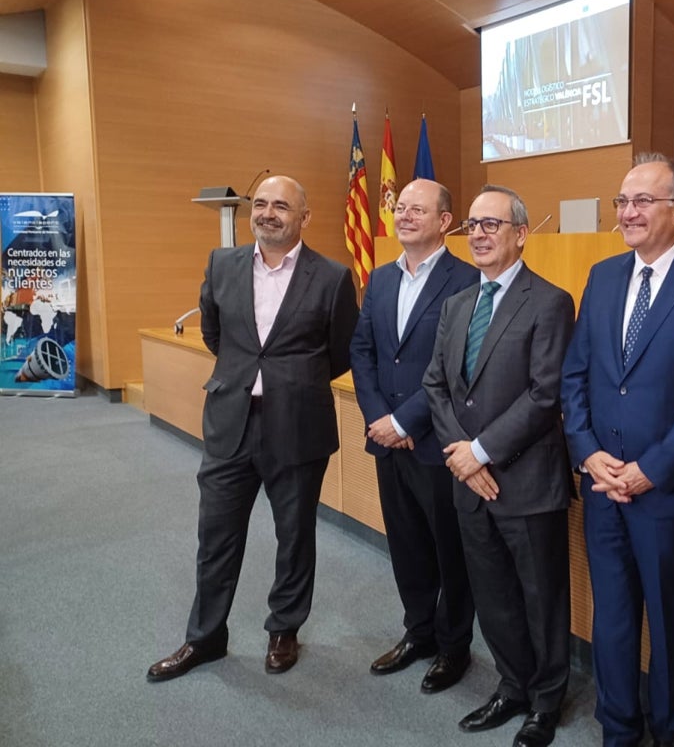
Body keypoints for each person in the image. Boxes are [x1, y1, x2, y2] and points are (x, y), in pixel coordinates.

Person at [560, 153, 674, 747]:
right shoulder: (603, 275)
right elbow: (578, 375)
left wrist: (650, 470)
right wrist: (587, 453)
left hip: (668, 490)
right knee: (611, 620)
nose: (628, 212)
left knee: (670, 626)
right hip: (601, 485)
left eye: (642, 201)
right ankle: (618, 729)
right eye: (622, 202)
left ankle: (671, 733)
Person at [147, 175, 358, 681]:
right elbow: (216, 333)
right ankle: (205, 638)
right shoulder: (223, 264)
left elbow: (340, 352)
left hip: (297, 424)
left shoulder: (331, 276)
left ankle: (284, 629)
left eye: (281, 206)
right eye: (260, 204)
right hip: (231, 423)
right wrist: (249, 377)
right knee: (215, 535)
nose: (267, 213)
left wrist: (288, 382)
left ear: (303, 217)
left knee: (294, 535)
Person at [423, 185, 575, 747]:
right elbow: (435, 385)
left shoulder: (550, 301)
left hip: (527, 482)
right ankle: (512, 685)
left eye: (492, 224)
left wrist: (480, 452)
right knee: (492, 595)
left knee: (541, 598)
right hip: (470, 482)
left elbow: (544, 394)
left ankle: (545, 701)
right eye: (472, 225)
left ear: (521, 233)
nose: (480, 235)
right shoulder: (458, 303)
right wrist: (464, 459)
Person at [349, 178, 477, 691]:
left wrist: (406, 422)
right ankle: (418, 632)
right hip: (386, 442)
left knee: (451, 552)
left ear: (445, 220)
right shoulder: (379, 279)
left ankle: (453, 648)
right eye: (399, 208)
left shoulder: (468, 279)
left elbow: (459, 368)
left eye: (416, 209)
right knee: (405, 546)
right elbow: (363, 353)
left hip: (437, 443)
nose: (403, 216)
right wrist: (382, 419)